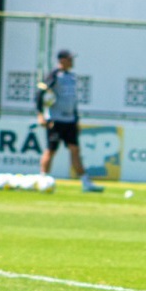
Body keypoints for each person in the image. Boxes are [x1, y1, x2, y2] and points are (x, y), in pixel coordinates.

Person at [35, 49, 103, 193]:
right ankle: (43, 178)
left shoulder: (72, 77)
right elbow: (40, 94)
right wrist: (40, 114)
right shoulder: (54, 75)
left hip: (70, 120)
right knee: (51, 150)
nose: (72, 61)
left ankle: (85, 182)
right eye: (69, 59)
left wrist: (76, 119)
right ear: (62, 60)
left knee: (75, 150)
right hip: (56, 120)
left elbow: (72, 101)